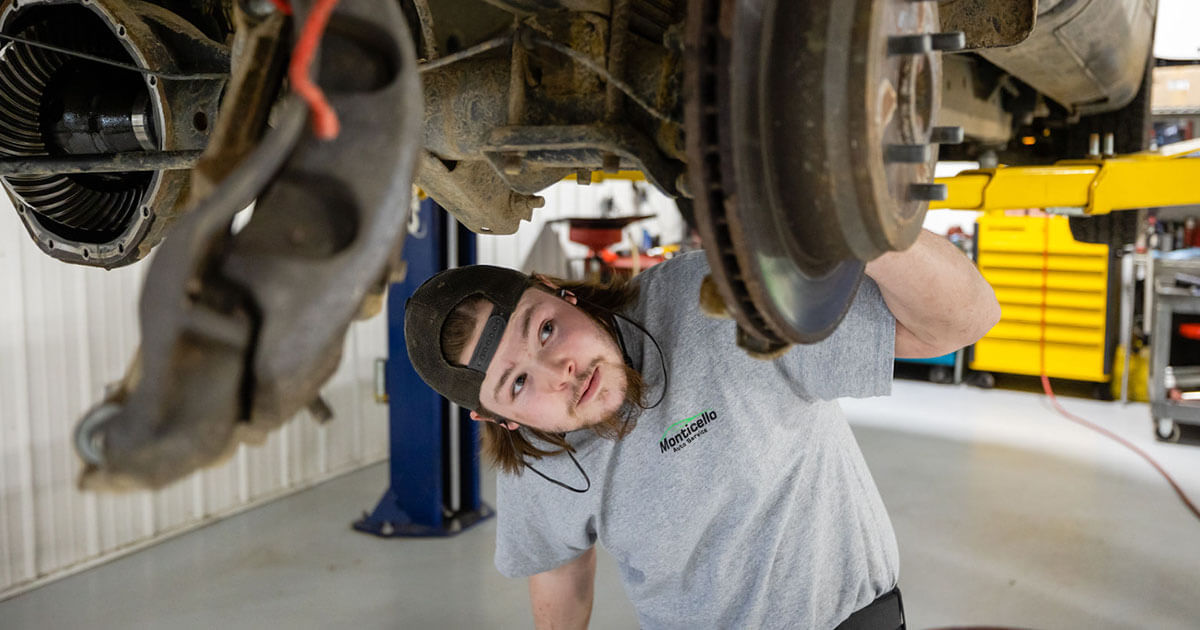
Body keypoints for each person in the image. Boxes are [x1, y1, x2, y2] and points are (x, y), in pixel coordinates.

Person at [403, 229, 1000, 629]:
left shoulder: (708, 300)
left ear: (560, 294)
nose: (560, 373)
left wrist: (865, 222)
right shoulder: (537, 455)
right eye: (517, 384)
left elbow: (965, 322)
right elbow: (559, 570)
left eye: (545, 329)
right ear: (500, 420)